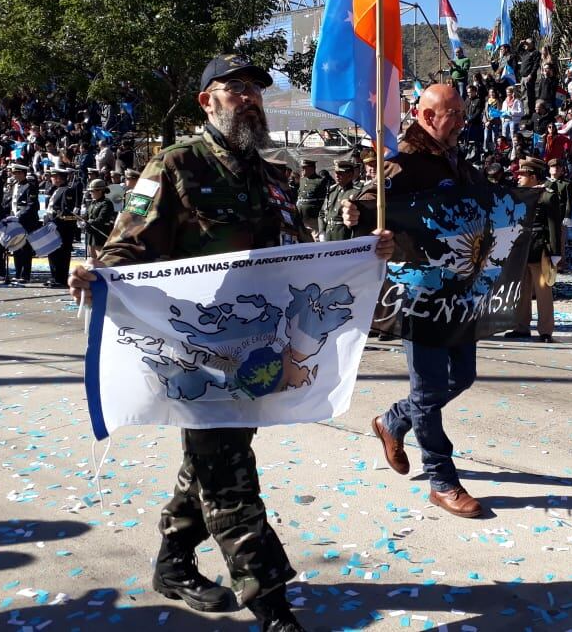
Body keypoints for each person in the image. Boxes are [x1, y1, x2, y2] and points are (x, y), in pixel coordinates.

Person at [69, 52, 394, 629]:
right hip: (195, 354)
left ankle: (172, 565)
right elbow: (129, 246)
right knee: (230, 478)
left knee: (209, 464)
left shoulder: (273, 179)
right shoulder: (175, 166)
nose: (249, 98)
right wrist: (96, 274)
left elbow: (300, 257)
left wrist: (361, 250)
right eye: (235, 88)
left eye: (255, 90)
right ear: (207, 101)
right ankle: (272, 606)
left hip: (256, 354)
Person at [342, 83, 485, 519]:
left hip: (458, 290)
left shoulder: (456, 158)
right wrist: (358, 217)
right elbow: (365, 207)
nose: (461, 121)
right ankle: (442, 479)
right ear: (426, 116)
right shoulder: (402, 160)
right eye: (452, 114)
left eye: (462, 113)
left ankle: (393, 421)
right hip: (419, 290)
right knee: (428, 388)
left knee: (461, 377)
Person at [507, 157, 561, 343]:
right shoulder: (519, 195)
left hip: (540, 249)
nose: (519, 178)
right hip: (522, 250)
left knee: (543, 292)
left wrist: (555, 253)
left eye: (522, 175)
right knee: (521, 292)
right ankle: (521, 327)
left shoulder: (547, 196)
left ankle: (545, 330)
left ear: (533, 176)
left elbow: (554, 226)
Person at [5, 162, 39, 284]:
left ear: (24, 174)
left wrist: (19, 215)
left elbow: (31, 205)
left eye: (18, 173)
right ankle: (18, 273)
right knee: (16, 248)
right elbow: (10, 203)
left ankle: (25, 275)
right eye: (14, 173)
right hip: (14, 221)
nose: (15, 175)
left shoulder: (30, 186)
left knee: (25, 249)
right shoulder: (14, 185)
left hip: (25, 222)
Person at [44, 167, 77, 288]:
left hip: (62, 229)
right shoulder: (56, 189)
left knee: (61, 254)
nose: (51, 178)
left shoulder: (67, 191)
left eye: (53, 176)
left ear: (59, 178)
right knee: (52, 253)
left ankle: (60, 279)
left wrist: (56, 221)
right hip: (53, 226)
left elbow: (65, 211)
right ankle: (54, 277)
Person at [318, 159, 359, 242]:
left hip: (344, 235)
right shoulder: (331, 190)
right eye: (336, 172)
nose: (336, 175)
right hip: (328, 234)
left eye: (340, 173)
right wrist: (321, 231)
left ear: (350, 175)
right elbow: (322, 213)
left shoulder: (356, 192)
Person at [296, 159, 330, 233]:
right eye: (302, 167)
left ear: (311, 168)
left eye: (304, 168)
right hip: (301, 215)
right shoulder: (302, 180)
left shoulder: (320, 181)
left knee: (315, 237)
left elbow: (324, 200)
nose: (302, 169)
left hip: (312, 216)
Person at [84, 179, 116, 258]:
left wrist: (89, 222)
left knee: (100, 258)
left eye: (92, 191)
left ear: (100, 191)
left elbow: (101, 219)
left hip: (100, 234)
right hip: (91, 234)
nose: (90, 193)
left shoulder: (106, 203)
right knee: (91, 258)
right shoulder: (93, 202)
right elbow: (87, 215)